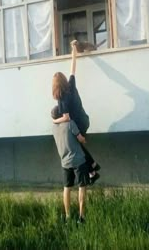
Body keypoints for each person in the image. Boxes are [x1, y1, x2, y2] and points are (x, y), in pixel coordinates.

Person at [52, 40, 100, 177]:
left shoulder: (62, 99)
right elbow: (73, 68)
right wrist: (74, 49)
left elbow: (66, 118)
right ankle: (93, 167)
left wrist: (55, 121)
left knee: (76, 148)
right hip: (85, 119)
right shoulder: (71, 84)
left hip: (77, 125)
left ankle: (91, 171)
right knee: (78, 146)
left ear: (55, 86)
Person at [52, 105, 97, 224]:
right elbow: (80, 139)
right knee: (82, 188)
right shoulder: (70, 123)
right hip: (78, 161)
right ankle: (81, 217)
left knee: (67, 189)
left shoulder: (54, 128)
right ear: (62, 115)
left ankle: (68, 216)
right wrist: (83, 139)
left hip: (65, 163)